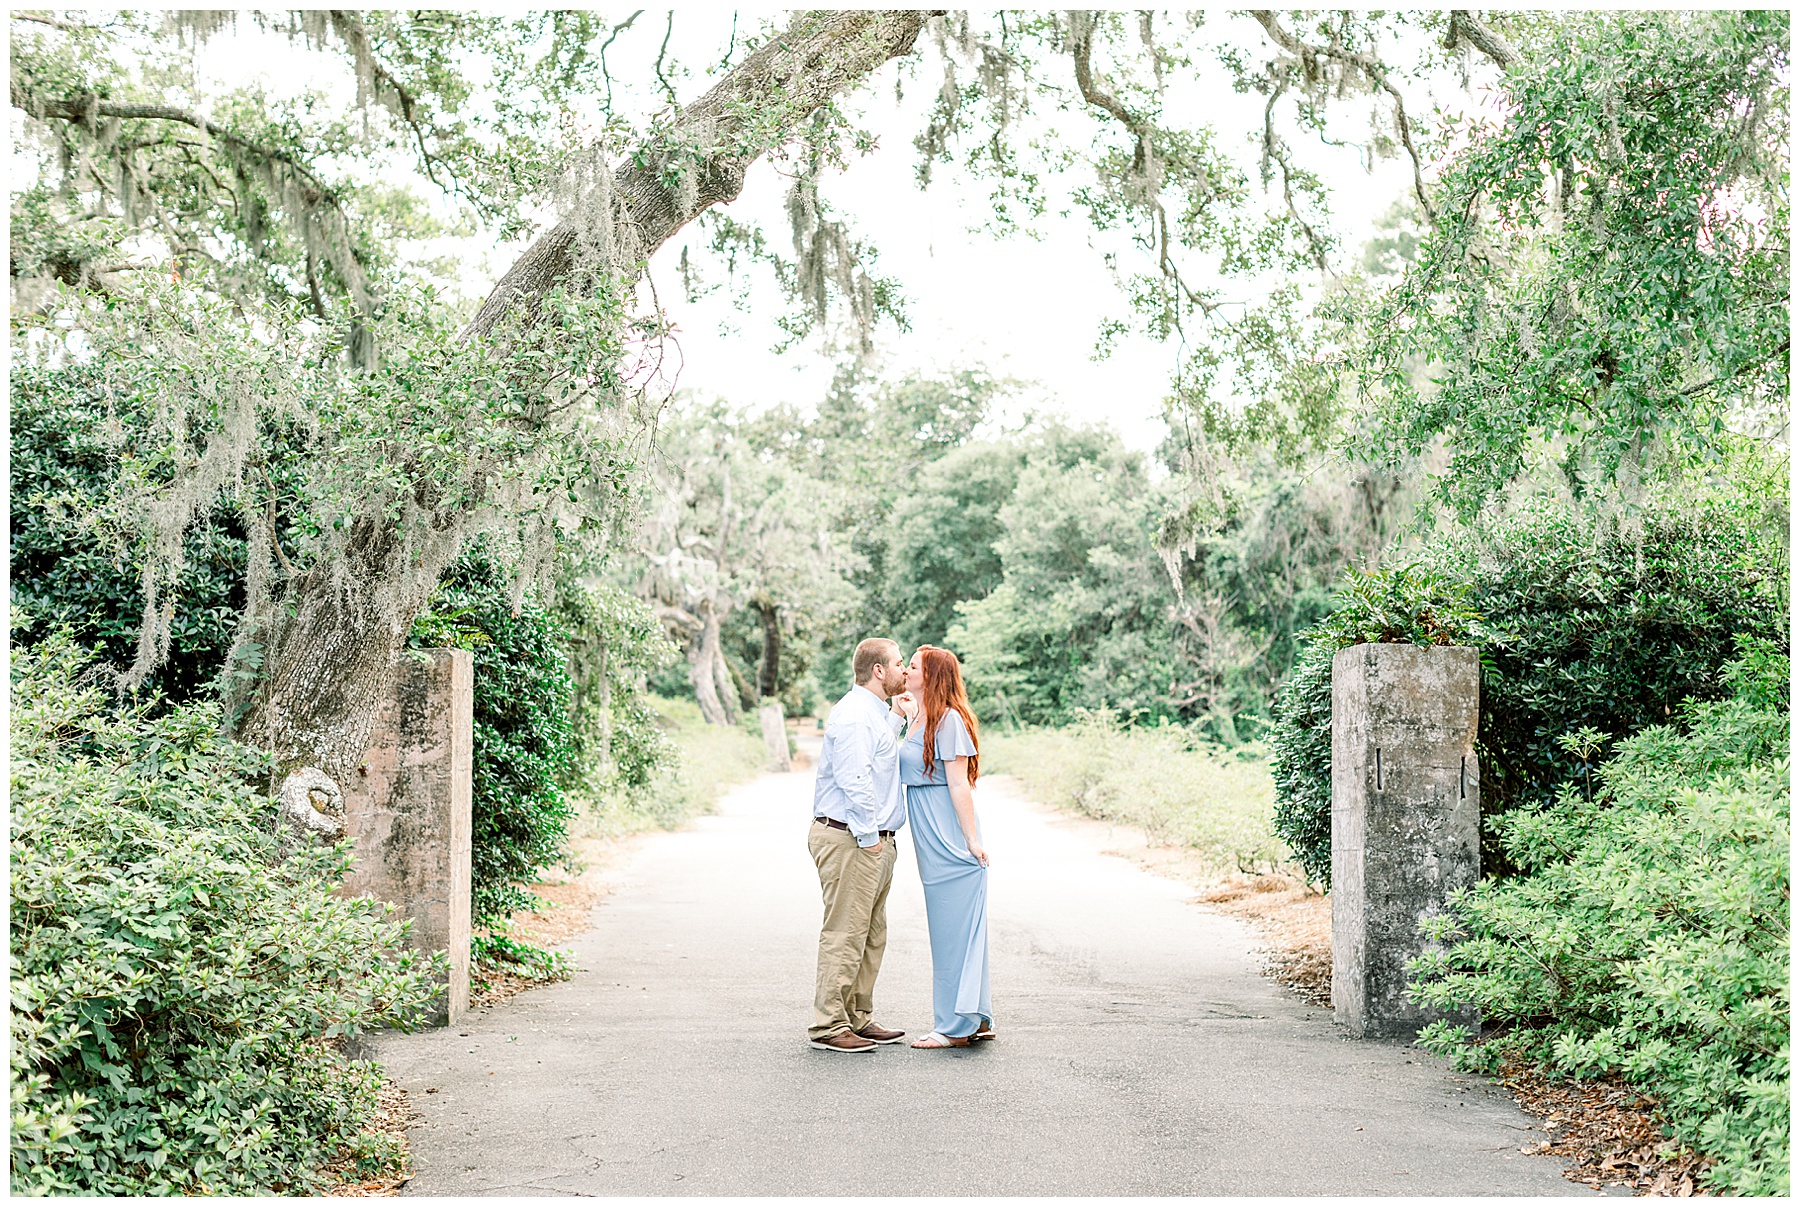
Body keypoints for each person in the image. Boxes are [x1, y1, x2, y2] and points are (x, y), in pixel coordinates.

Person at [806, 637, 911, 1053]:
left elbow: (879, 752)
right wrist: (869, 838)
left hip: (872, 840)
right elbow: (855, 778)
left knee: (871, 934)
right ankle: (829, 1026)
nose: (905, 671)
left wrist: (899, 717)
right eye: (899, 663)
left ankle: (858, 1017)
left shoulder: (873, 713)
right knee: (845, 933)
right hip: (851, 838)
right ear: (879, 670)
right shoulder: (852, 716)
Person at [899, 644, 994, 1050]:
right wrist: (906, 717)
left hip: (947, 838)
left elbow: (959, 784)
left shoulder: (950, 720)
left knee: (951, 932)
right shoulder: (921, 717)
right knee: (951, 931)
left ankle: (953, 1026)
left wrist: (972, 841)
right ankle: (972, 1017)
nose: (905, 670)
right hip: (929, 834)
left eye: (914, 667)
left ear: (931, 676)